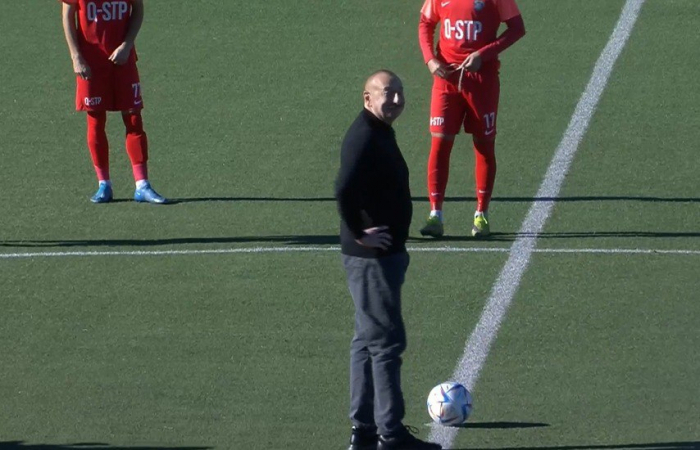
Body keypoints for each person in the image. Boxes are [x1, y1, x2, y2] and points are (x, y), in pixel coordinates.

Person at [336, 70, 441, 450]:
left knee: (366, 341)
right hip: (372, 259)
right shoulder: (364, 136)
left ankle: (363, 432)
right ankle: (391, 435)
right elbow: (343, 188)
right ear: (367, 98)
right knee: (386, 344)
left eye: (400, 93)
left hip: (378, 256)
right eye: (387, 93)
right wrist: (360, 232)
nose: (395, 100)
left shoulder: (377, 130)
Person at [418, 0, 526, 237]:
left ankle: (481, 215)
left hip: (481, 82)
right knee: (440, 143)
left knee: (484, 146)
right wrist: (430, 60)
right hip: (446, 79)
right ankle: (435, 214)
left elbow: (517, 28)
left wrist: (483, 54)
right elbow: (426, 23)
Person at [61, 0, 167, 204]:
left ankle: (142, 185)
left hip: (123, 59)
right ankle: (104, 184)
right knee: (95, 120)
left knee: (134, 118)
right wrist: (76, 57)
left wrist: (127, 44)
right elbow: (67, 16)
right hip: (91, 62)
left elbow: (137, 9)